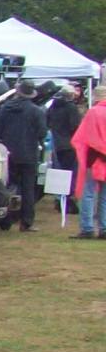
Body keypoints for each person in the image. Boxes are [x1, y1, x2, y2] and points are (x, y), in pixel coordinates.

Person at [0, 81, 49, 230]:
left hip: (8, 153)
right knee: (28, 189)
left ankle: (4, 220)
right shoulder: (36, 111)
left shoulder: (6, 109)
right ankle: (26, 222)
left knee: (6, 186)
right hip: (29, 153)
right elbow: (42, 133)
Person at [72, 88, 106, 239]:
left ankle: (87, 228)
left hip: (94, 159)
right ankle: (104, 228)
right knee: (104, 196)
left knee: (88, 194)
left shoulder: (93, 112)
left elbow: (85, 137)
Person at [47, 84, 83, 212]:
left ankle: (59, 199)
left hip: (56, 143)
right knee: (70, 173)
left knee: (58, 171)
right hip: (69, 144)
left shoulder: (52, 106)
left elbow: (47, 122)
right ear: (70, 95)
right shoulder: (71, 107)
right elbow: (75, 126)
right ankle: (68, 201)